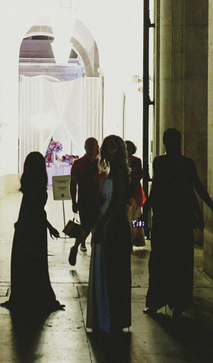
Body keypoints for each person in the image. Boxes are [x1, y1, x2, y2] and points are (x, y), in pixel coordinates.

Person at [144, 127, 213, 317]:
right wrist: (211, 209)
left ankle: (156, 302)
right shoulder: (187, 163)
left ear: (164, 143)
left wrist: (145, 210)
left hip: (163, 217)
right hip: (181, 218)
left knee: (160, 260)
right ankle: (179, 302)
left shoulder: (159, 162)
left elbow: (157, 189)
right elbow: (196, 189)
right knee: (181, 262)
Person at [0, 151, 65, 314]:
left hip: (25, 227)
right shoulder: (37, 185)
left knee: (24, 265)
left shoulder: (29, 184)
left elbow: (30, 209)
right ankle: (37, 296)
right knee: (36, 264)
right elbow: (37, 210)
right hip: (35, 229)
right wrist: (49, 227)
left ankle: (24, 296)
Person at [87, 134, 131, 331]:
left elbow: (117, 202)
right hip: (108, 223)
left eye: (114, 147)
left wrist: (104, 223)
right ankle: (109, 316)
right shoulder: (113, 171)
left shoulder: (119, 172)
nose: (109, 151)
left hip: (114, 226)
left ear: (120, 150)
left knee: (113, 270)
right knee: (108, 269)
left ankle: (112, 317)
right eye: (107, 147)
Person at [68, 136, 102, 266]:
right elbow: (73, 183)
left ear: (97, 147)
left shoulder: (101, 163)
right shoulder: (78, 164)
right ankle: (76, 247)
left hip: (99, 201)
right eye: (88, 144)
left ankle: (94, 255)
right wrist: (73, 201)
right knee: (86, 227)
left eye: (92, 144)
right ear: (84, 147)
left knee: (96, 228)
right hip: (85, 200)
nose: (90, 146)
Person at [125, 140, 147, 246]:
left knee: (136, 217)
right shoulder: (121, 161)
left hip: (135, 191)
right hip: (126, 192)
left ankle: (135, 238)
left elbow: (140, 174)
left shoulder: (136, 161)